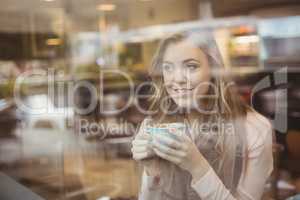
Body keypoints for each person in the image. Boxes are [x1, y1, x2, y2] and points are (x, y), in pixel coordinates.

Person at [131, 31, 273, 200]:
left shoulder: (255, 128)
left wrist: (197, 166)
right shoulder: (157, 124)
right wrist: (152, 171)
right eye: (168, 67)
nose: (177, 79)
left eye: (191, 66)